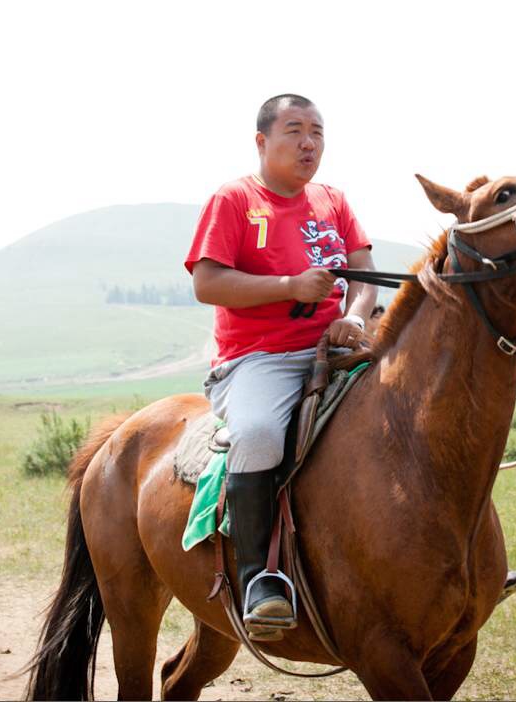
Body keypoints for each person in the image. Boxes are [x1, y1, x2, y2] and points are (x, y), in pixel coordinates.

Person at [185, 94, 377, 639]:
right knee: (260, 433)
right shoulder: (235, 199)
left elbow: (364, 273)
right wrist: (290, 286)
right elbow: (207, 282)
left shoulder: (333, 201)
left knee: (419, 400)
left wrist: (357, 318)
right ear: (262, 141)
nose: (309, 142)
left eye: (317, 131)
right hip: (259, 358)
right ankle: (257, 580)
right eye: (294, 129)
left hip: (336, 347)